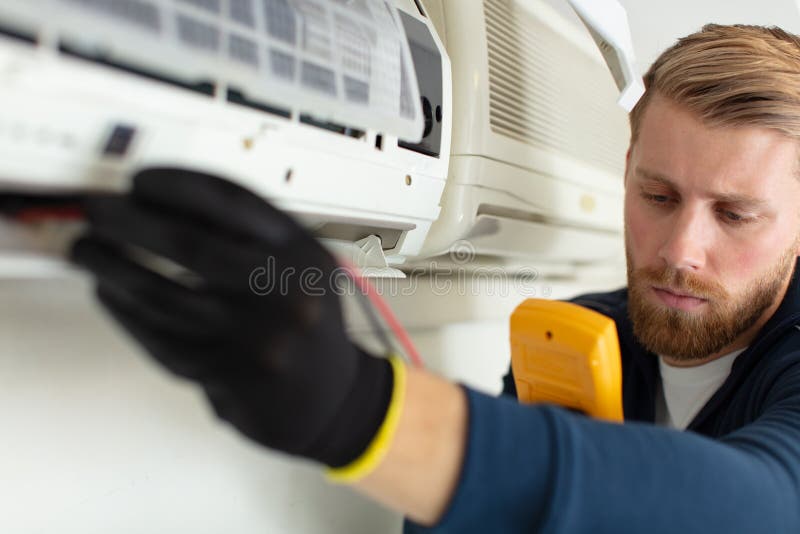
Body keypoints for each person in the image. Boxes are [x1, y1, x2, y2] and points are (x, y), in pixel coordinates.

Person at [71, 24, 800, 532]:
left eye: (735, 215)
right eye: (658, 196)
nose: (680, 250)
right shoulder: (584, 337)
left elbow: (763, 506)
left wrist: (356, 408)